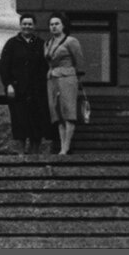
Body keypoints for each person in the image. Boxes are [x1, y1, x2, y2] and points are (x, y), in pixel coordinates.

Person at [0, 13, 52, 154]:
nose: (27, 26)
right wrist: (8, 85)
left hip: (37, 90)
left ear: (34, 26)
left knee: (37, 121)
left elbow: (45, 66)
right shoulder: (11, 43)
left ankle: (35, 152)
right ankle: (21, 153)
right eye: (24, 24)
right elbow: (4, 66)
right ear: (20, 25)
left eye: (30, 24)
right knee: (20, 121)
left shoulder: (41, 44)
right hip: (18, 90)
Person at [44, 12, 85, 155]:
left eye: (57, 24)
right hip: (52, 78)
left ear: (63, 25)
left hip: (67, 78)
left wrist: (78, 79)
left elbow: (79, 61)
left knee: (68, 112)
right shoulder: (48, 43)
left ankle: (66, 147)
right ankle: (62, 146)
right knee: (58, 113)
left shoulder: (71, 41)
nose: (54, 27)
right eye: (51, 24)